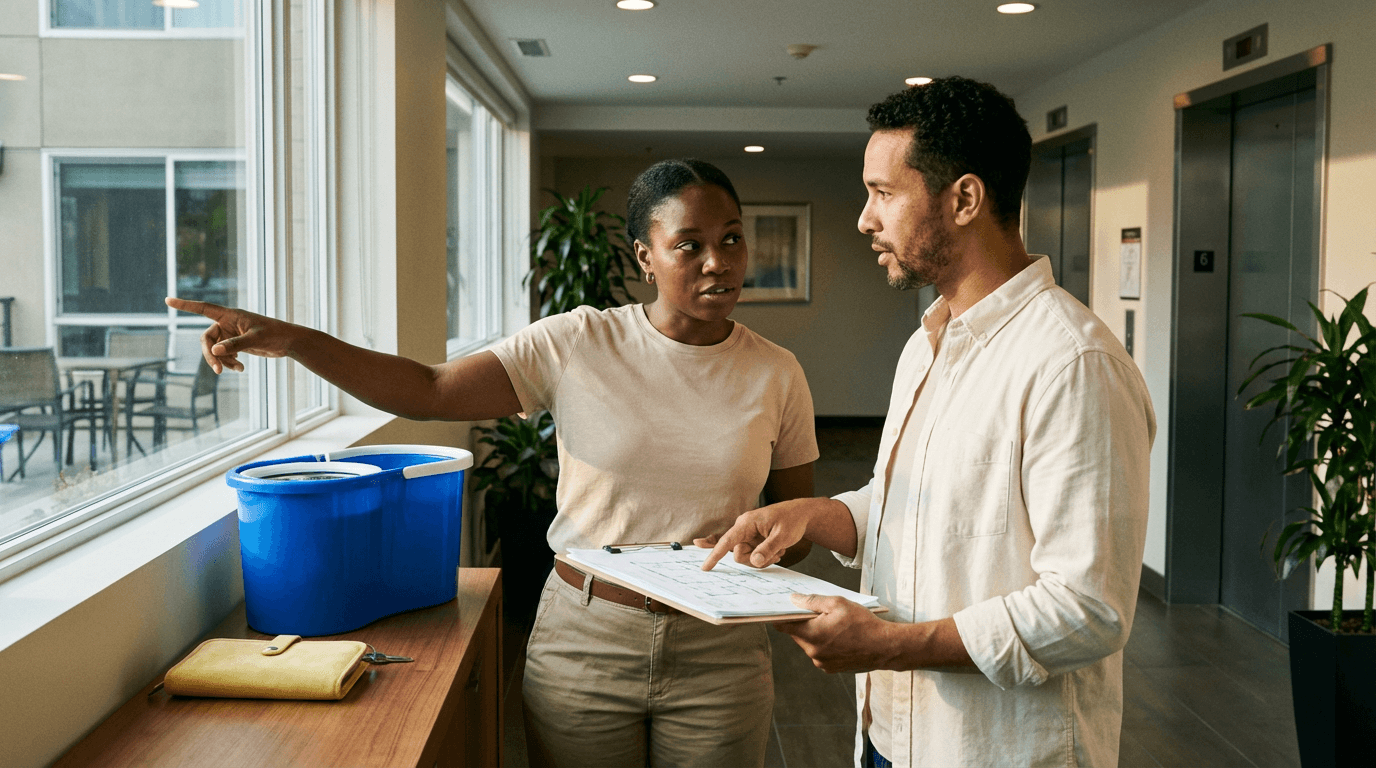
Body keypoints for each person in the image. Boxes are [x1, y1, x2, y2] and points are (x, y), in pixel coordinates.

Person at [168, 158, 819, 768]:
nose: (718, 262)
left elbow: (797, 527)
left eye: (732, 239)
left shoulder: (776, 372)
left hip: (720, 647)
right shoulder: (578, 342)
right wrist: (296, 340)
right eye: (690, 244)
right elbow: (429, 389)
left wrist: (755, 551)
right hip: (587, 636)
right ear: (646, 257)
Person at [704, 77, 1156, 768]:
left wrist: (890, 644)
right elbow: (920, 504)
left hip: (993, 748)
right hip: (894, 735)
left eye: (883, 192)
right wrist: (818, 515)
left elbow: (1088, 608)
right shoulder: (928, 342)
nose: (864, 218)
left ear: (965, 199)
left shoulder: (1073, 364)